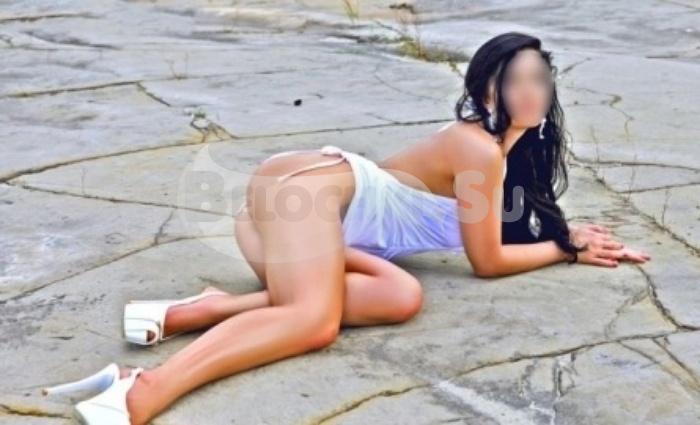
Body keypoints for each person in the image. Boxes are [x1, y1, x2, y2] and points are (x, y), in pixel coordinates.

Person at [41, 32, 650, 424]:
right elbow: (486, 261)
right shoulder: (478, 149)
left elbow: (495, 233)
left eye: (539, 78)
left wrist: (564, 234)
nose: (529, 91)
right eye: (514, 79)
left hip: (293, 223)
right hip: (306, 195)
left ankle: (199, 309)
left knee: (401, 294)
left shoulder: (505, 156)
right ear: (486, 87)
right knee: (313, 320)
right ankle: (144, 388)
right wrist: (563, 251)